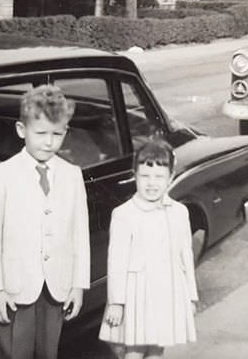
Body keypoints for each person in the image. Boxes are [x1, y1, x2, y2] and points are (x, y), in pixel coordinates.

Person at [0, 84, 90, 359]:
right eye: (40, 133)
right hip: (15, 288)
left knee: (47, 352)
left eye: (57, 134)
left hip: (57, 287)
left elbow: (80, 234)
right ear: (21, 130)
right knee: (13, 352)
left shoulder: (72, 175)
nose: (49, 142)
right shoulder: (2, 175)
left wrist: (78, 285)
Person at [99, 140, 198, 359]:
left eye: (159, 177)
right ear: (134, 174)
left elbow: (186, 255)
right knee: (134, 349)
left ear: (171, 177)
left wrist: (191, 296)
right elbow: (116, 262)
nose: (151, 183)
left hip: (168, 289)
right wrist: (116, 302)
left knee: (157, 347)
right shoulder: (124, 214)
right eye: (145, 176)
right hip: (137, 292)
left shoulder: (179, 212)